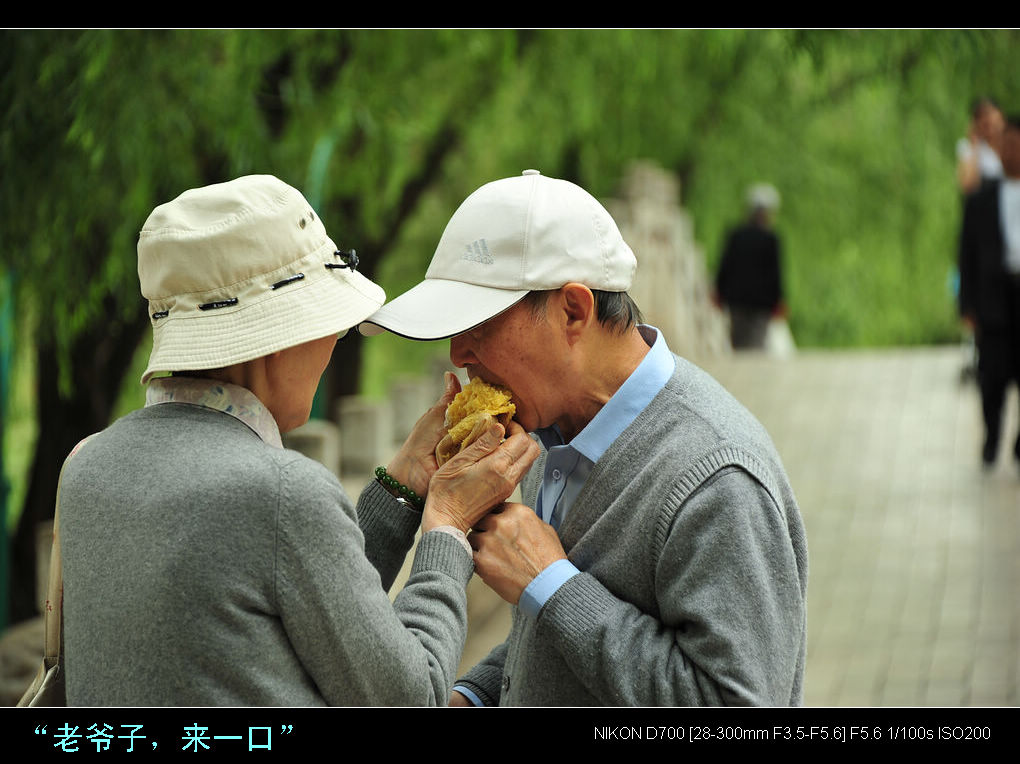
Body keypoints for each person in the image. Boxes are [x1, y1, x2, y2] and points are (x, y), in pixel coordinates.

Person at [57, 174, 538, 706]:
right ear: (273, 339)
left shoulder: (87, 466)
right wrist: (447, 523)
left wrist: (403, 487)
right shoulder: (283, 492)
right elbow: (414, 695)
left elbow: (306, 603)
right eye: (328, 326)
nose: (332, 344)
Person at [360, 169, 808, 706]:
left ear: (573, 310)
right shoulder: (554, 430)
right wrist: (475, 696)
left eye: (478, 326)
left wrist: (552, 584)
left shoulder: (717, 478)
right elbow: (556, 638)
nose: (459, 355)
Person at [958, 115, 1020, 470]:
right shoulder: (982, 199)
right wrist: (967, 303)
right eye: (1007, 143)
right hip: (994, 297)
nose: (1012, 151)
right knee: (992, 374)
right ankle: (992, 437)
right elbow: (966, 253)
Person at [713, 183, 786, 350]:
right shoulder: (771, 239)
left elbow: (725, 265)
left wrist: (719, 292)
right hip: (762, 302)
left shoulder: (736, 235)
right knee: (757, 343)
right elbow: (775, 274)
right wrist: (778, 300)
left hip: (737, 299)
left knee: (738, 342)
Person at [957, 97, 1005, 197]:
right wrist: (974, 146)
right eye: (981, 116)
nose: (987, 119)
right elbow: (967, 185)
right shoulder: (969, 147)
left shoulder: (1012, 143)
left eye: (990, 113)